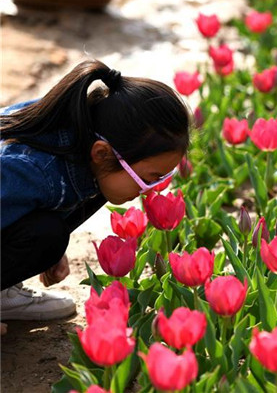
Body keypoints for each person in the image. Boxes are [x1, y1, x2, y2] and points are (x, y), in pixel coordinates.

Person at [1, 59, 190, 332]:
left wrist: (38, 250)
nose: (151, 189)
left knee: (97, 194)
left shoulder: (82, 132)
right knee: (48, 235)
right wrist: (39, 242)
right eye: (148, 178)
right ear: (101, 152)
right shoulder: (27, 171)